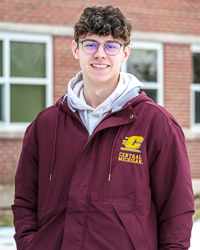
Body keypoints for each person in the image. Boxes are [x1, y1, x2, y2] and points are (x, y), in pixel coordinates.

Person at [12, 5, 194, 250]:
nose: (100, 54)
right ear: (76, 49)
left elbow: (177, 211)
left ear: (125, 53)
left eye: (111, 45)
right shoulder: (45, 125)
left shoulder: (156, 124)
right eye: (91, 44)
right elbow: (24, 202)